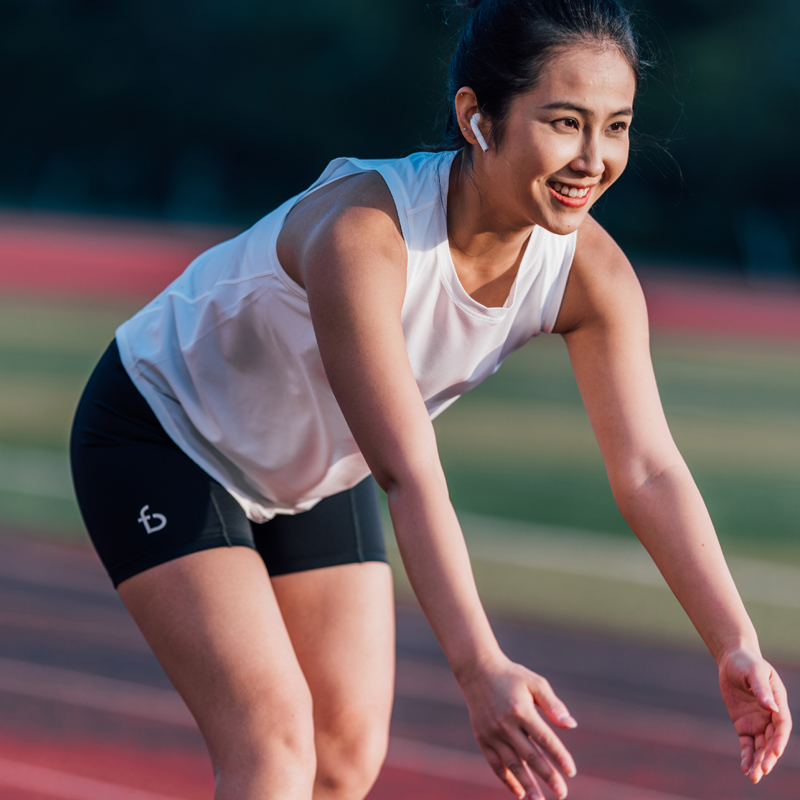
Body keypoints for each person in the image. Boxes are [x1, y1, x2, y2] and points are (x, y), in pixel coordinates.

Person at [70, 1, 792, 798]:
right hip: (164, 435)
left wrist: (734, 642)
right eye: (564, 122)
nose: (594, 157)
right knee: (272, 745)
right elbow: (410, 470)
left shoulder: (593, 274)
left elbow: (650, 470)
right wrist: (479, 665)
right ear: (477, 118)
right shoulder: (365, 235)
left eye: (615, 126)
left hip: (315, 471)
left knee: (343, 760)